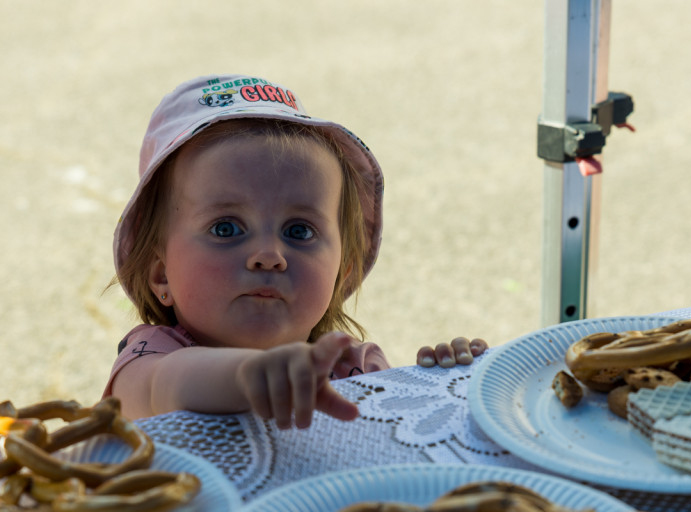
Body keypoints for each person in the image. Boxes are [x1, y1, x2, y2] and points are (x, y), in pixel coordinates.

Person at [105, 73, 487, 428]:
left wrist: (446, 386)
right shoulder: (149, 359)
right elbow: (167, 386)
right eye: (226, 228)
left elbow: (406, 451)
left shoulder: (354, 367)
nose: (269, 255)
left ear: (344, 272)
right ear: (160, 274)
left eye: (299, 231)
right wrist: (250, 375)